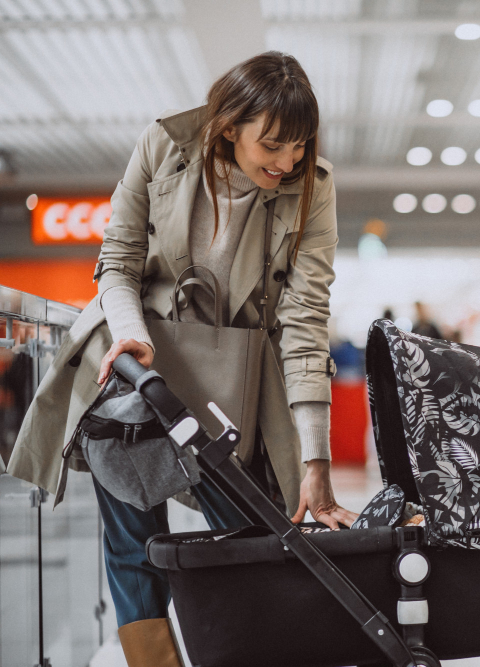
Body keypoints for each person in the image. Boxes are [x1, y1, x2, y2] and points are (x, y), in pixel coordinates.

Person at [6, 52, 357, 666]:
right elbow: (115, 262)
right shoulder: (163, 146)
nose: (287, 162)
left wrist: (316, 457)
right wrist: (132, 336)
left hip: (237, 390)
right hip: (137, 374)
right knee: (133, 547)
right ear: (227, 127)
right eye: (273, 145)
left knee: (252, 538)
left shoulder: (312, 191)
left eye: (299, 147)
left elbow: (305, 323)